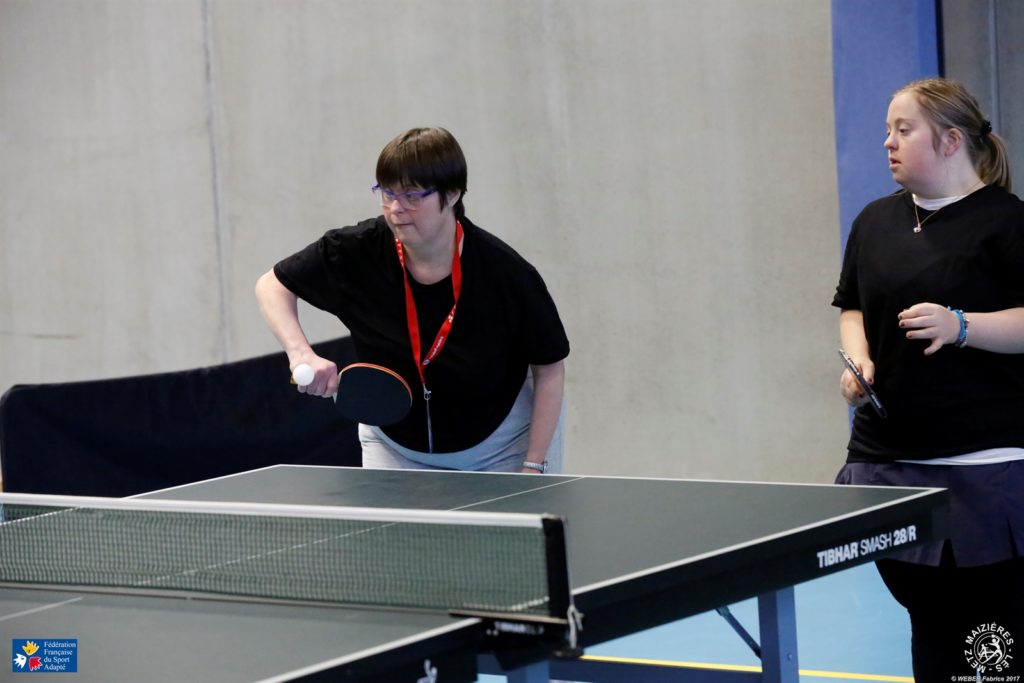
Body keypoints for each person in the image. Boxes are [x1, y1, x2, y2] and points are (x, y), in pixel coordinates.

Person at [833, 78, 1024, 680]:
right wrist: (859, 361)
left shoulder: (1007, 221)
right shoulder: (873, 221)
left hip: (984, 470)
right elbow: (852, 306)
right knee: (931, 628)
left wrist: (961, 325)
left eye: (903, 129)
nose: (887, 142)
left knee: (991, 643)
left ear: (950, 140)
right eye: (887, 130)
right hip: (887, 463)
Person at [256, 127, 569, 474]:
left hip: (500, 448)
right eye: (386, 192)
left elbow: (549, 368)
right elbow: (272, 285)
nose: (395, 208)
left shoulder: (506, 274)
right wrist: (300, 353)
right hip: (394, 446)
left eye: (412, 196)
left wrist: (533, 464)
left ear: (452, 194)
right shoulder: (357, 252)